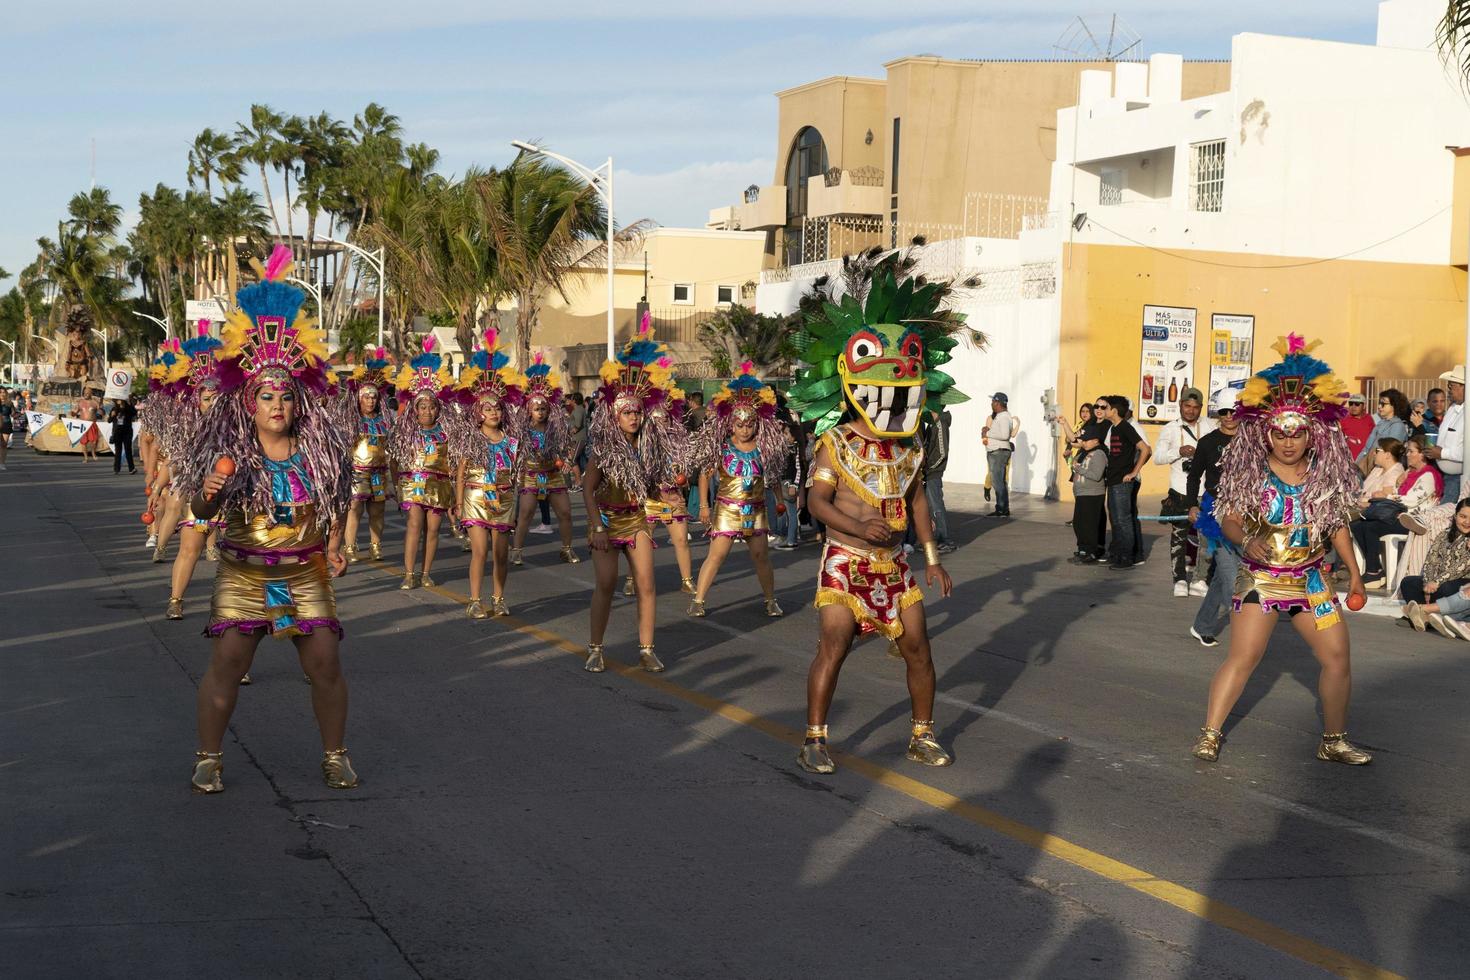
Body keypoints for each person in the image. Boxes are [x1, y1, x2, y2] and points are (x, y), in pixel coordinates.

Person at [175, 245, 358, 794]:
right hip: (246, 573)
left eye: (284, 394)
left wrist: (334, 545)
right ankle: (209, 757)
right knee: (228, 664)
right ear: (248, 403)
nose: (277, 403)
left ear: (297, 402)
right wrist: (209, 495)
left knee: (324, 663)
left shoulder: (320, 450)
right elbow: (203, 512)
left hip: (303, 573)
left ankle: (335, 755)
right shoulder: (231, 454)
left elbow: (336, 498)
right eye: (265, 395)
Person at [786, 253, 966, 775]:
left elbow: (917, 501)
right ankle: (815, 738)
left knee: (919, 649)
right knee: (834, 647)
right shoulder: (834, 443)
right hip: (845, 561)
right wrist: (857, 526)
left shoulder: (909, 446)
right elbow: (815, 503)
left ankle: (921, 734)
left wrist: (931, 558)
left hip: (896, 566)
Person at [1192, 334, 1369, 767]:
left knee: (1337, 657)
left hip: (1311, 580)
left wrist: (1356, 575)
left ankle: (1334, 740)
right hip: (1262, 579)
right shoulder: (1249, 470)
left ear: (1311, 434)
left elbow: (1336, 528)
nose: (1289, 442)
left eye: (1297, 434)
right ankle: (1211, 734)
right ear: (1266, 433)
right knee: (1245, 657)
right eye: (1279, 433)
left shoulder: (1323, 474)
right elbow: (1230, 517)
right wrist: (1242, 539)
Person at [582, 331, 671, 674]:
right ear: (615, 416)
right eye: (626, 413)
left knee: (647, 584)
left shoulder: (649, 446)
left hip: (636, 521)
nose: (633, 418)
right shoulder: (604, 449)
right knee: (606, 584)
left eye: (637, 412)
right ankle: (595, 647)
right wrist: (596, 527)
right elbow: (588, 489)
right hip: (606, 520)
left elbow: (654, 485)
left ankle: (646, 649)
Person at [687, 363, 792, 619]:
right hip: (727, 509)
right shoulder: (721, 447)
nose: (745, 429)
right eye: (740, 424)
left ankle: (770, 600)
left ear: (757, 424)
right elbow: (705, 474)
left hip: (755, 510)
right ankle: (698, 600)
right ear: (731, 424)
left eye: (750, 424)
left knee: (761, 557)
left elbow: (774, 475)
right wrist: (703, 505)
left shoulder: (764, 447)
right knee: (717, 555)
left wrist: (779, 500)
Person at [455, 330, 523, 619]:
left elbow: (517, 478)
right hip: (475, 496)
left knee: (500, 554)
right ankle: (474, 600)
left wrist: (515, 504)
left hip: (504, 500)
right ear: (478, 412)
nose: (494, 411)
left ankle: (499, 597)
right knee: (479, 552)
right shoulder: (472, 438)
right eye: (488, 407)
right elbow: (460, 473)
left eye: (497, 407)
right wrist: (458, 505)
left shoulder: (512, 440)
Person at [390, 336, 463, 590]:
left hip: (439, 486)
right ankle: (409, 573)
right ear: (414, 408)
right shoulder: (406, 430)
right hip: (413, 483)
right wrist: (396, 485)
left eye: (431, 406)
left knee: (433, 530)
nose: (427, 411)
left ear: (438, 408)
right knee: (414, 524)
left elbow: (455, 464)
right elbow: (394, 460)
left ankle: (426, 572)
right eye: (422, 406)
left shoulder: (447, 431)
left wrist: (455, 494)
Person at [510, 354, 579, 566]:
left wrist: (568, 461)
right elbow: (514, 452)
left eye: (544, 408)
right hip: (531, 475)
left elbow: (569, 447)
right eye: (537, 409)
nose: (541, 412)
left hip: (553, 475)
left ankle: (566, 549)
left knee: (566, 513)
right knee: (526, 513)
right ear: (529, 410)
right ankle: (517, 550)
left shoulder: (557, 428)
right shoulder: (522, 430)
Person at [1185, 388, 1241, 646]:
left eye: (1234, 411)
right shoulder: (1207, 442)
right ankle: (1246, 636)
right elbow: (1194, 476)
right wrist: (1191, 505)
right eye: (1224, 411)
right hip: (1214, 512)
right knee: (1230, 573)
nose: (1229, 416)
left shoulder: (1253, 441)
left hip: (1245, 511)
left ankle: (1202, 625)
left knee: (1220, 577)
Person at [1352, 434, 1441, 588]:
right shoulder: (1409, 474)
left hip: (1413, 521)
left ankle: (1373, 572)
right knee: (1358, 525)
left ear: (1422, 454)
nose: (1407, 454)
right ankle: (1376, 569)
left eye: (1411, 451)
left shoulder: (1428, 475)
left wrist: (1388, 495)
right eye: (1407, 451)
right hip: (1400, 516)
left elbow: (1411, 499)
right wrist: (1395, 488)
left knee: (1370, 526)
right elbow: (1400, 494)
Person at [634, 377, 697, 595]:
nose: (662, 423)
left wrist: (683, 475)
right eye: (657, 419)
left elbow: (687, 468)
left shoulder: (680, 441)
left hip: (673, 496)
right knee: (642, 543)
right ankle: (634, 579)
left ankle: (687, 580)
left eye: (665, 419)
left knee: (681, 540)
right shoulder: (640, 442)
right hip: (650, 498)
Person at [1153, 387, 1215, 596]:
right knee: (1178, 538)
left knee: (1205, 538)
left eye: (1195, 407)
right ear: (1180, 405)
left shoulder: (1209, 425)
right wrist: (1178, 452)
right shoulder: (1171, 428)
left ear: (1201, 408)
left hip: (1204, 491)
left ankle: (1199, 580)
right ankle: (1179, 580)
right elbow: (1158, 457)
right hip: (1179, 491)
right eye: (1187, 406)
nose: (1190, 411)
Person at [341, 348, 396, 562]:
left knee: (377, 511)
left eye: (374, 397)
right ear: (359, 398)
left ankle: (375, 546)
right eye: (366, 397)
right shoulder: (351, 420)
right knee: (354, 509)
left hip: (379, 473)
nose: (371, 401)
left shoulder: (384, 420)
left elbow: (391, 448)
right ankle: (350, 547)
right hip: (357, 472)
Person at [1400, 499, 1470, 639]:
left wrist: (1437, 582)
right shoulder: (1444, 535)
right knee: (1408, 582)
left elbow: (1461, 567)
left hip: (1457, 582)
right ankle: (1426, 616)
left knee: (1446, 588)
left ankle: (1423, 614)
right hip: (1435, 584)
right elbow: (1431, 561)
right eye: (1463, 517)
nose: (1467, 522)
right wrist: (1427, 583)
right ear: (1455, 516)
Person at [1098, 395, 1151, 569]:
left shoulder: (1126, 427)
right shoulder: (1114, 428)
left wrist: (1134, 472)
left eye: (1106, 408)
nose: (1102, 411)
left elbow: (1145, 449)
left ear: (1114, 410)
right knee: (1116, 519)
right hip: (1113, 480)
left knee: (1123, 520)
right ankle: (1119, 554)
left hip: (1123, 481)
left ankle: (1126, 558)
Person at [1423, 366, 1465, 504]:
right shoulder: (1452, 409)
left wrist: (1442, 453)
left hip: (1459, 477)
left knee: (1446, 512)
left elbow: (1467, 452)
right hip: (1443, 473)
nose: (1448, 390)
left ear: (1464, 387)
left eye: (1451, 386)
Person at [1068, 434, 1107, 564]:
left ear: (1096, 440)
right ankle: (1082, 549)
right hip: (1081, 493)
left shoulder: (1099, 454)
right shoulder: (1083, 453)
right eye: (1083, 440)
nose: (1083, 443)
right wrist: (1069, 459)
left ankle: (1091, 551)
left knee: (1089, 525)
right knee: (1079, 524)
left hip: (1093, 493)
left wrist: (1078, 468)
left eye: (1086, 440)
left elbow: (1096, 475)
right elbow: (1073, 466)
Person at [921, 407, 955, 553]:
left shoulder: (940, 424)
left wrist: (930, 468)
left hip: (933, 472)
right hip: (929, 471)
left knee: (936, 507)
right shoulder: (932, 424)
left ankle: (943, 539)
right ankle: (934, 538)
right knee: (930, 507)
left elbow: (941, 452)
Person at [1354, 388, 1411, 466]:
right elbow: (1367, 448)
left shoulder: (1398, 426)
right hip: (1369, 467)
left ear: (1394, 405)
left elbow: (1389, 454)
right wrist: (1356, 464)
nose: (1379, 406)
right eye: (1379, 403)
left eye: (1383, 404)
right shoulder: (1381, 423)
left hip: (1381, 470)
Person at [981, 393, 1016, 517]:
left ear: (997, 403)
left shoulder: (1004, 417)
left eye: (992, 402)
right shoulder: (1000, 416)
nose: (991, 404)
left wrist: (988, 432)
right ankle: (1001, 508)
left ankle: (1002, 509)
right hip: (996, 451)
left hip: (999, 452)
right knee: (999, 481)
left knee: (998, 482)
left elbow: (1005, 435)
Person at [1356, 439, 1405, 511]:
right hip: (1359, 506)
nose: (1374, 453)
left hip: (1369, 513)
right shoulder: (1378, 468)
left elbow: (1384, 504)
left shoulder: (1395, 474)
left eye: (1377, 451)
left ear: (1388, 455)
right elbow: (1363, 491)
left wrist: (1358, 504)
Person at [1340, 393, 1375, 460]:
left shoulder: (1369, 418)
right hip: (1348, 460)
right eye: (1351, 403)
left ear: (1364, 406)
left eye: (1357, 404)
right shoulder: (1343, 419)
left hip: (1365, 459)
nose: (1353, 406)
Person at [108, 397, 137, 473]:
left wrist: (128, 404)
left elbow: (134, 413)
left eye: (120, 399)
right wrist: (112, 415)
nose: (119, 401)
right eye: (117, 400)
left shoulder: (128, 408)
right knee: (118, 451)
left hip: (127, 432)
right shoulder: (114, 409)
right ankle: (116, 469)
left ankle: (131, 468)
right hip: (117, 432)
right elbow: (109, 420)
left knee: (128, 450)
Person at [77, 389, 102, 461]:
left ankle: (93, 453)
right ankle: (86, 457)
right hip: (83, 425)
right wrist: (72, 413)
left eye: (87, 393)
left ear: (91, 394)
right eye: (85, 393)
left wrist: (101, 409)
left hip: (92, 424)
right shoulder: (80, 403)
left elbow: (101, 412)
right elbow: (75, 412)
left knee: (94, 441)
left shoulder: (95, 403)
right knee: (83, 442)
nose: (86, 394)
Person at [0, 388, 13, 470]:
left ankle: (2, 463)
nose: (2, 393)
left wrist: (21, 413)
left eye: (3, 392)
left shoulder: (9, 403)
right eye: (0, 392)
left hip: (6, 424)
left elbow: (13, 414)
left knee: (4, 445)